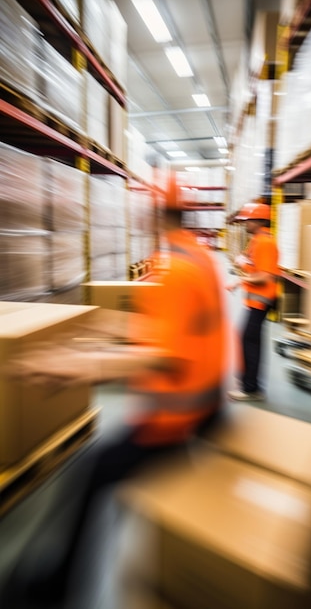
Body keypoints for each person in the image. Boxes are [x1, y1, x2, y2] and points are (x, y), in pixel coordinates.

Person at [2, 174, 228, 608]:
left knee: (93, 474)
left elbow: (162, 356)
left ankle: (55, 589)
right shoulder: (195, 256)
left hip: (178, 422)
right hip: (204, 407)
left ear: (153, 212)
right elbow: (178, 332)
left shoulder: (176, 268)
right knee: (103, 475)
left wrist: (77, 368)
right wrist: (111, 328)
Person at [226, 202, 279, 402]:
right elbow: (249, 262)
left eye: (248, 220)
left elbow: (265, 277)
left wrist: (239, 281)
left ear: (258, 221)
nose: (245, 224)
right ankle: (248, 382)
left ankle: (251, 388)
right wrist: (242, 263)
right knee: (248, 339)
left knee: (249, 340)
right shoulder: (257, 240)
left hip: (261, 301)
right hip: (254, 302)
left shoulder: (264, 243)